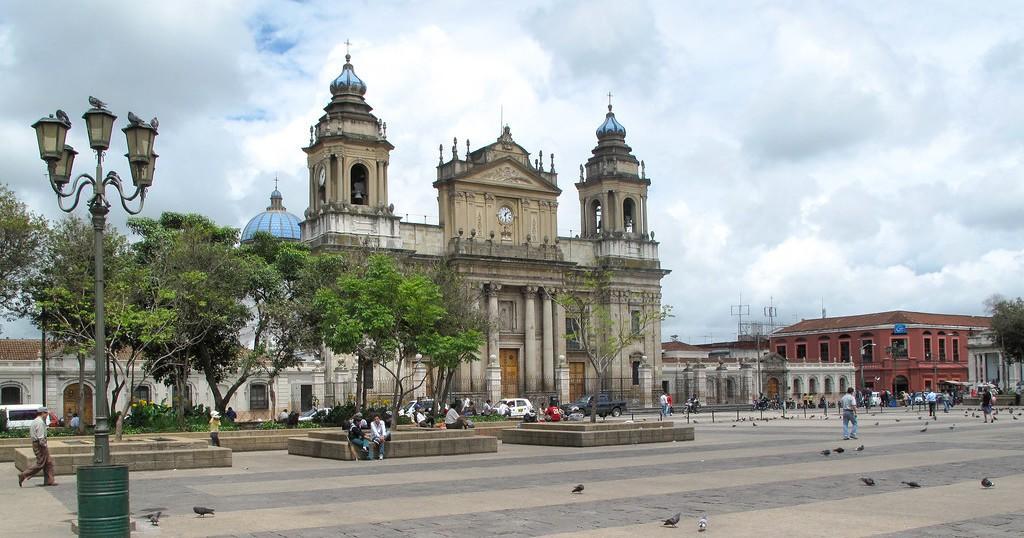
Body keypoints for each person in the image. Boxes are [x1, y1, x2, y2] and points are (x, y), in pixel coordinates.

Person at [18, 407, 57, 487]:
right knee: (41, 463)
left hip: (37, 444)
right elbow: (41, 437)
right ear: (42, 413)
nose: (47, 415)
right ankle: (24, 474)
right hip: (40, 445)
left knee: (48, 462)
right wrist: (44, 446)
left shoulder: (36, 421)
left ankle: (49, 480)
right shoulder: (40, 423)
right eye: (46, 413)